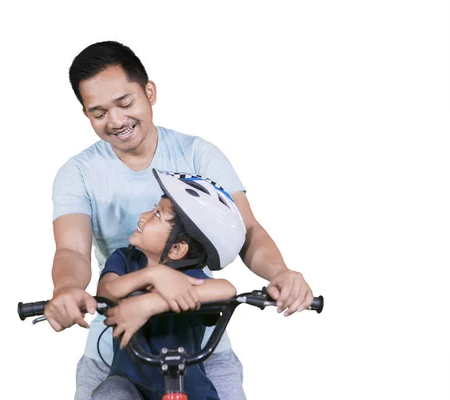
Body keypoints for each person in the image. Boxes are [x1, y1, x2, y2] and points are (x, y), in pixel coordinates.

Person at [44, 40, 315, 400]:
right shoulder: (78, 173)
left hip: (202, 351)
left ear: (149, 92)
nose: (116, 121)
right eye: (99, 112)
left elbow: (246, 230)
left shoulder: (197, 154)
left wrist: (280, 273)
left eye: (125, 103)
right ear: (86, 114)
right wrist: (66, 288)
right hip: (115, 350)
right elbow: (72, 250)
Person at [92, 169, 246, 400]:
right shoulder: (125, 259)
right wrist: (153, 274)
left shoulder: (189, 277)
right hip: (129, 389)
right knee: (110, 393)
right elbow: (107, 290)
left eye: (156, 214)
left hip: (188, 388)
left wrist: (150, 304)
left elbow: (226, 290)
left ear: (176, 249)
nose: (143, 216)